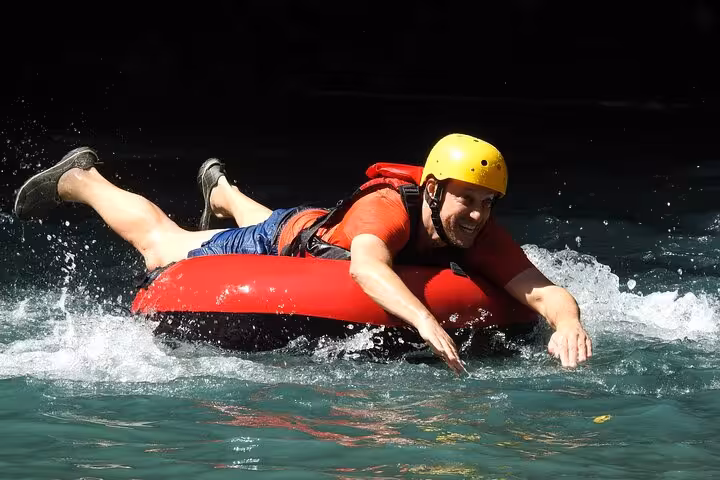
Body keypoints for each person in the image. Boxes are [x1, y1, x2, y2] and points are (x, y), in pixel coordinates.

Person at [13, 133, 592, 373]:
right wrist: (425, 319)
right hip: (290, 242)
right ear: (434, 190)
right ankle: (83, 179)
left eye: (487, 204)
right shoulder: (387, 209)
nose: (477, 215)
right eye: (466, 201)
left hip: (317, 228)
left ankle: (221, 191)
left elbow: (543, 290)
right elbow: (367, 268)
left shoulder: (480, 229)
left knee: (289, 221)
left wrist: (566, 322)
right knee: (164, 248)